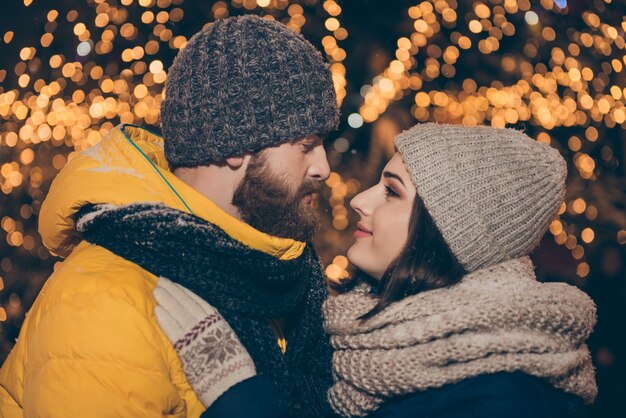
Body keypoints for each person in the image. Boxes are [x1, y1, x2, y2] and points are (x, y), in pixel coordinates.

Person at [0, 15, 339, 418]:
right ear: (236, 144)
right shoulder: (106, 305)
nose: (323, 167)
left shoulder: (262, 272)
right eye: (306, 144)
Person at [323, 123, 597, 418]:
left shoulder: (496, 399)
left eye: (391, 191)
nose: (359, 201)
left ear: (448, 232)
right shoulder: (361, 336)